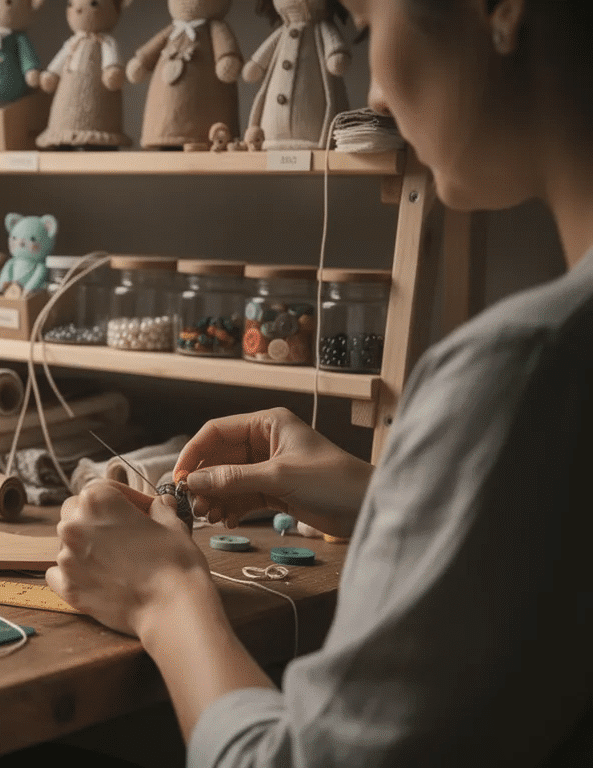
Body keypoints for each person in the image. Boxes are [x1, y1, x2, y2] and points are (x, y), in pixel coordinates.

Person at [46, 0, 593, 765]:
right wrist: (387, 497)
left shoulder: (521, 369)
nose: (373, 96)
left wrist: (162, 595)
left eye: (366, 27)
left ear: (498, 11)